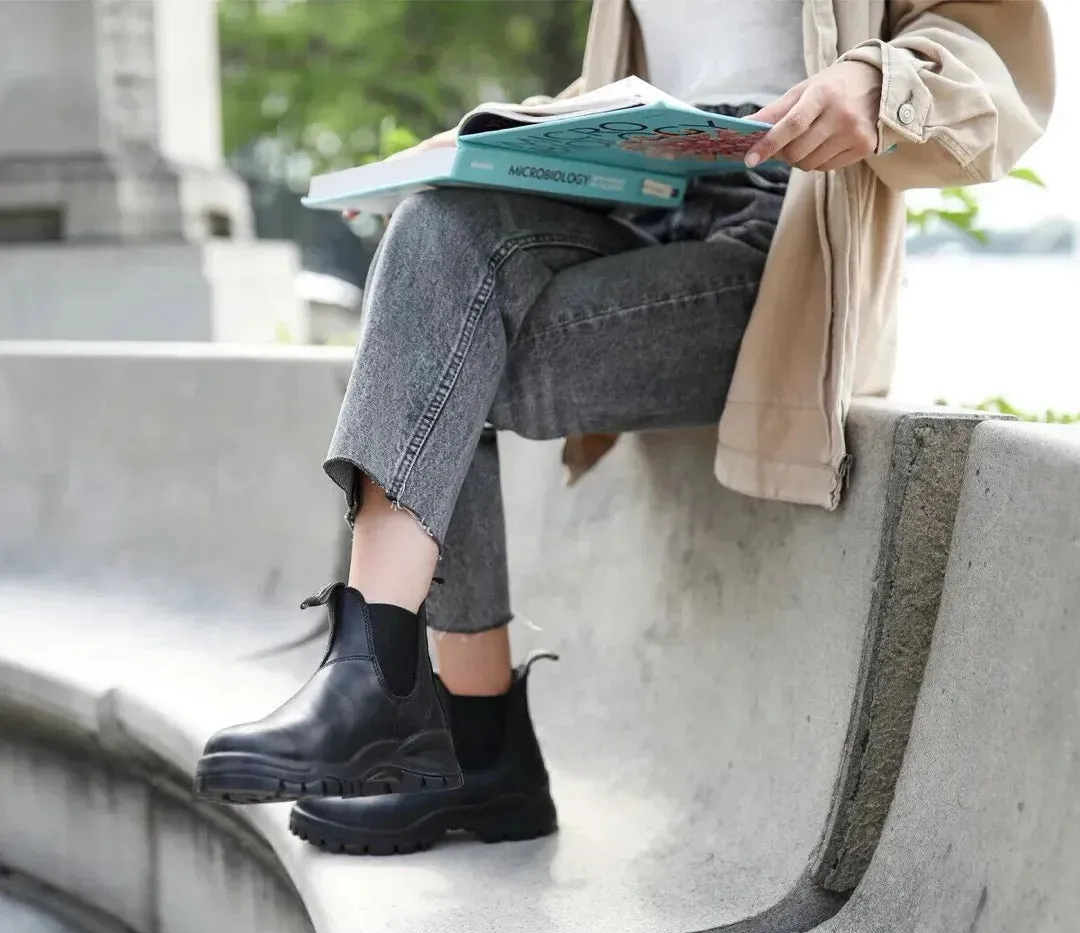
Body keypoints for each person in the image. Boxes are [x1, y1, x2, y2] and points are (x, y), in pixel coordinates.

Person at [193, 0, 1053, 854]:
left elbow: (995, 55)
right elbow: (656, 83)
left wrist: (876, 81)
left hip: (782, 234)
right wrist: (482, 148)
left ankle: (440, 725)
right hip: (639, 198)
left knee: (438, 353)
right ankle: (444, 721)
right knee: (437, 228)